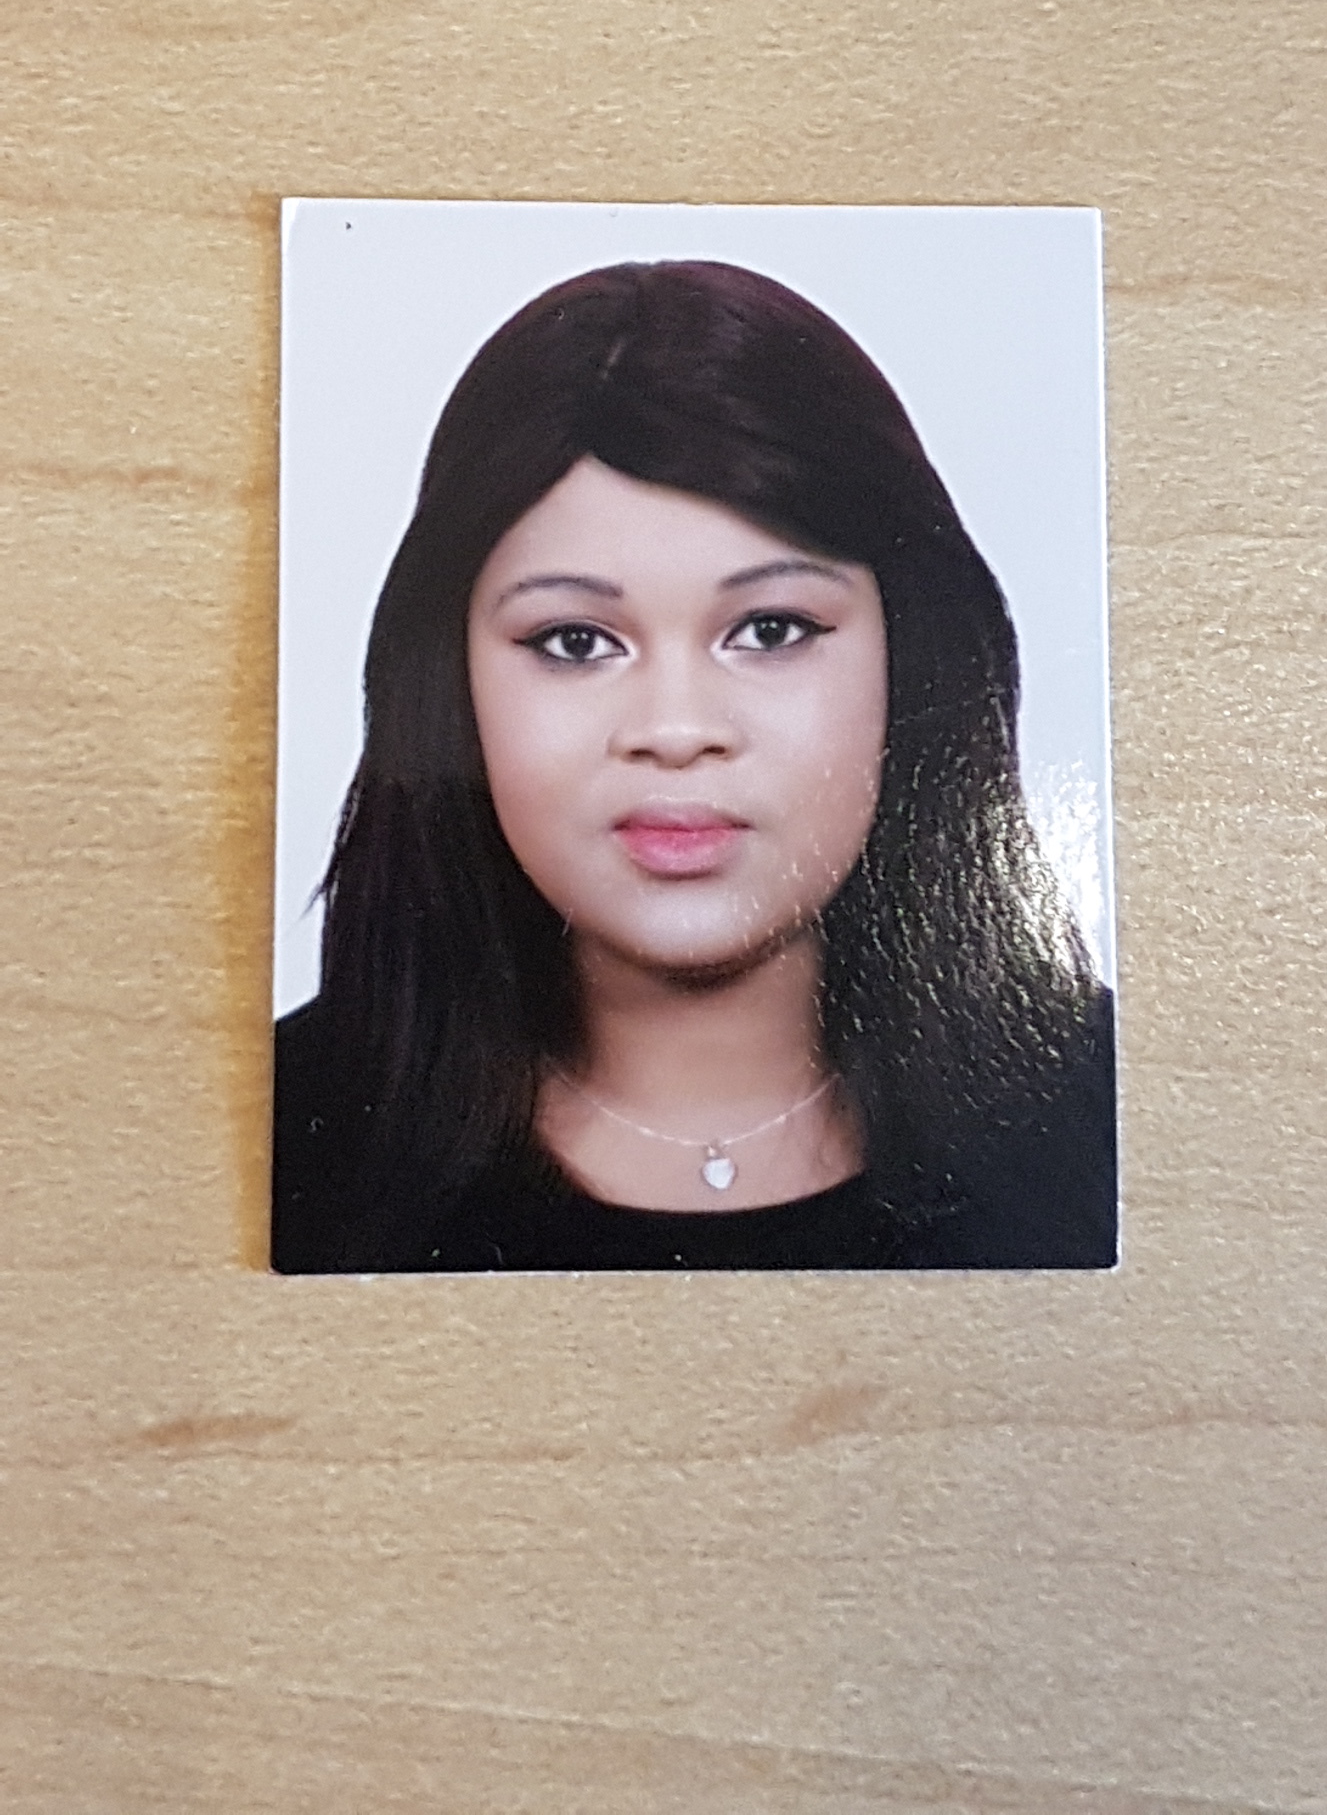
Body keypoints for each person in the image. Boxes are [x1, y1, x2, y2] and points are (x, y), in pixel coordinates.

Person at [272, 259, 1116, 1273]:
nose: (676, 731)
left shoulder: (1117, 1116)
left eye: (771, 629)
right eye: (576, 641)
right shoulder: (287, 1137)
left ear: (913, 660)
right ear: (447, 684)